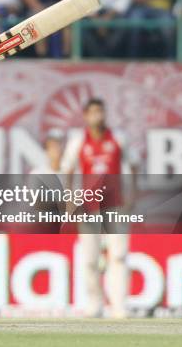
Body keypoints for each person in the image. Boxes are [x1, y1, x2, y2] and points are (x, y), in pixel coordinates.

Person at [61, 98, 138, 319]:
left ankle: (119, 306)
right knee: (90, 258)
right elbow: (68, 169)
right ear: (85, 116)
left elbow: (134, 165)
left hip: (115, 205)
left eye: (100, 112)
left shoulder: (118, 138)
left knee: (119, 256)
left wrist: (132, 194)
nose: (97, 116)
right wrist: (69, 199)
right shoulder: (78, 140)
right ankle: (94, 304)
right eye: (93, 112)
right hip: (88, 206)